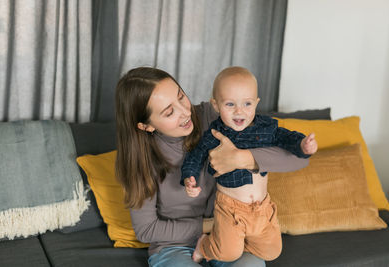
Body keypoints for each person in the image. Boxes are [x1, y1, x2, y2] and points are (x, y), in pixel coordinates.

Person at [115, 66, 310, 267]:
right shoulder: (138, 160)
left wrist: (243, 158)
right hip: (174, 246)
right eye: (169, 112)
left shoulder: (216, 116)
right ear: (146, 125)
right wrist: (209, 226)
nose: (185, 112)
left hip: (231, 237)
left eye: (181, 97)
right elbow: (147, 229)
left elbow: (300, 159)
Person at [180, 66, 318, 263]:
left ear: (256, 103)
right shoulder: (215, 134)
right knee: (228, 253)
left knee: (272, 252)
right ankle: (204, 245)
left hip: (262, 207)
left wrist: (303, 145)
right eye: (230, 104)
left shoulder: (267, 128)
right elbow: (196, 155)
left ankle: (238, 239)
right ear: (216, 105)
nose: (239, 111)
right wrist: (189, 177)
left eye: (247, 103)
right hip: (231, 208)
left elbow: (285, 138)